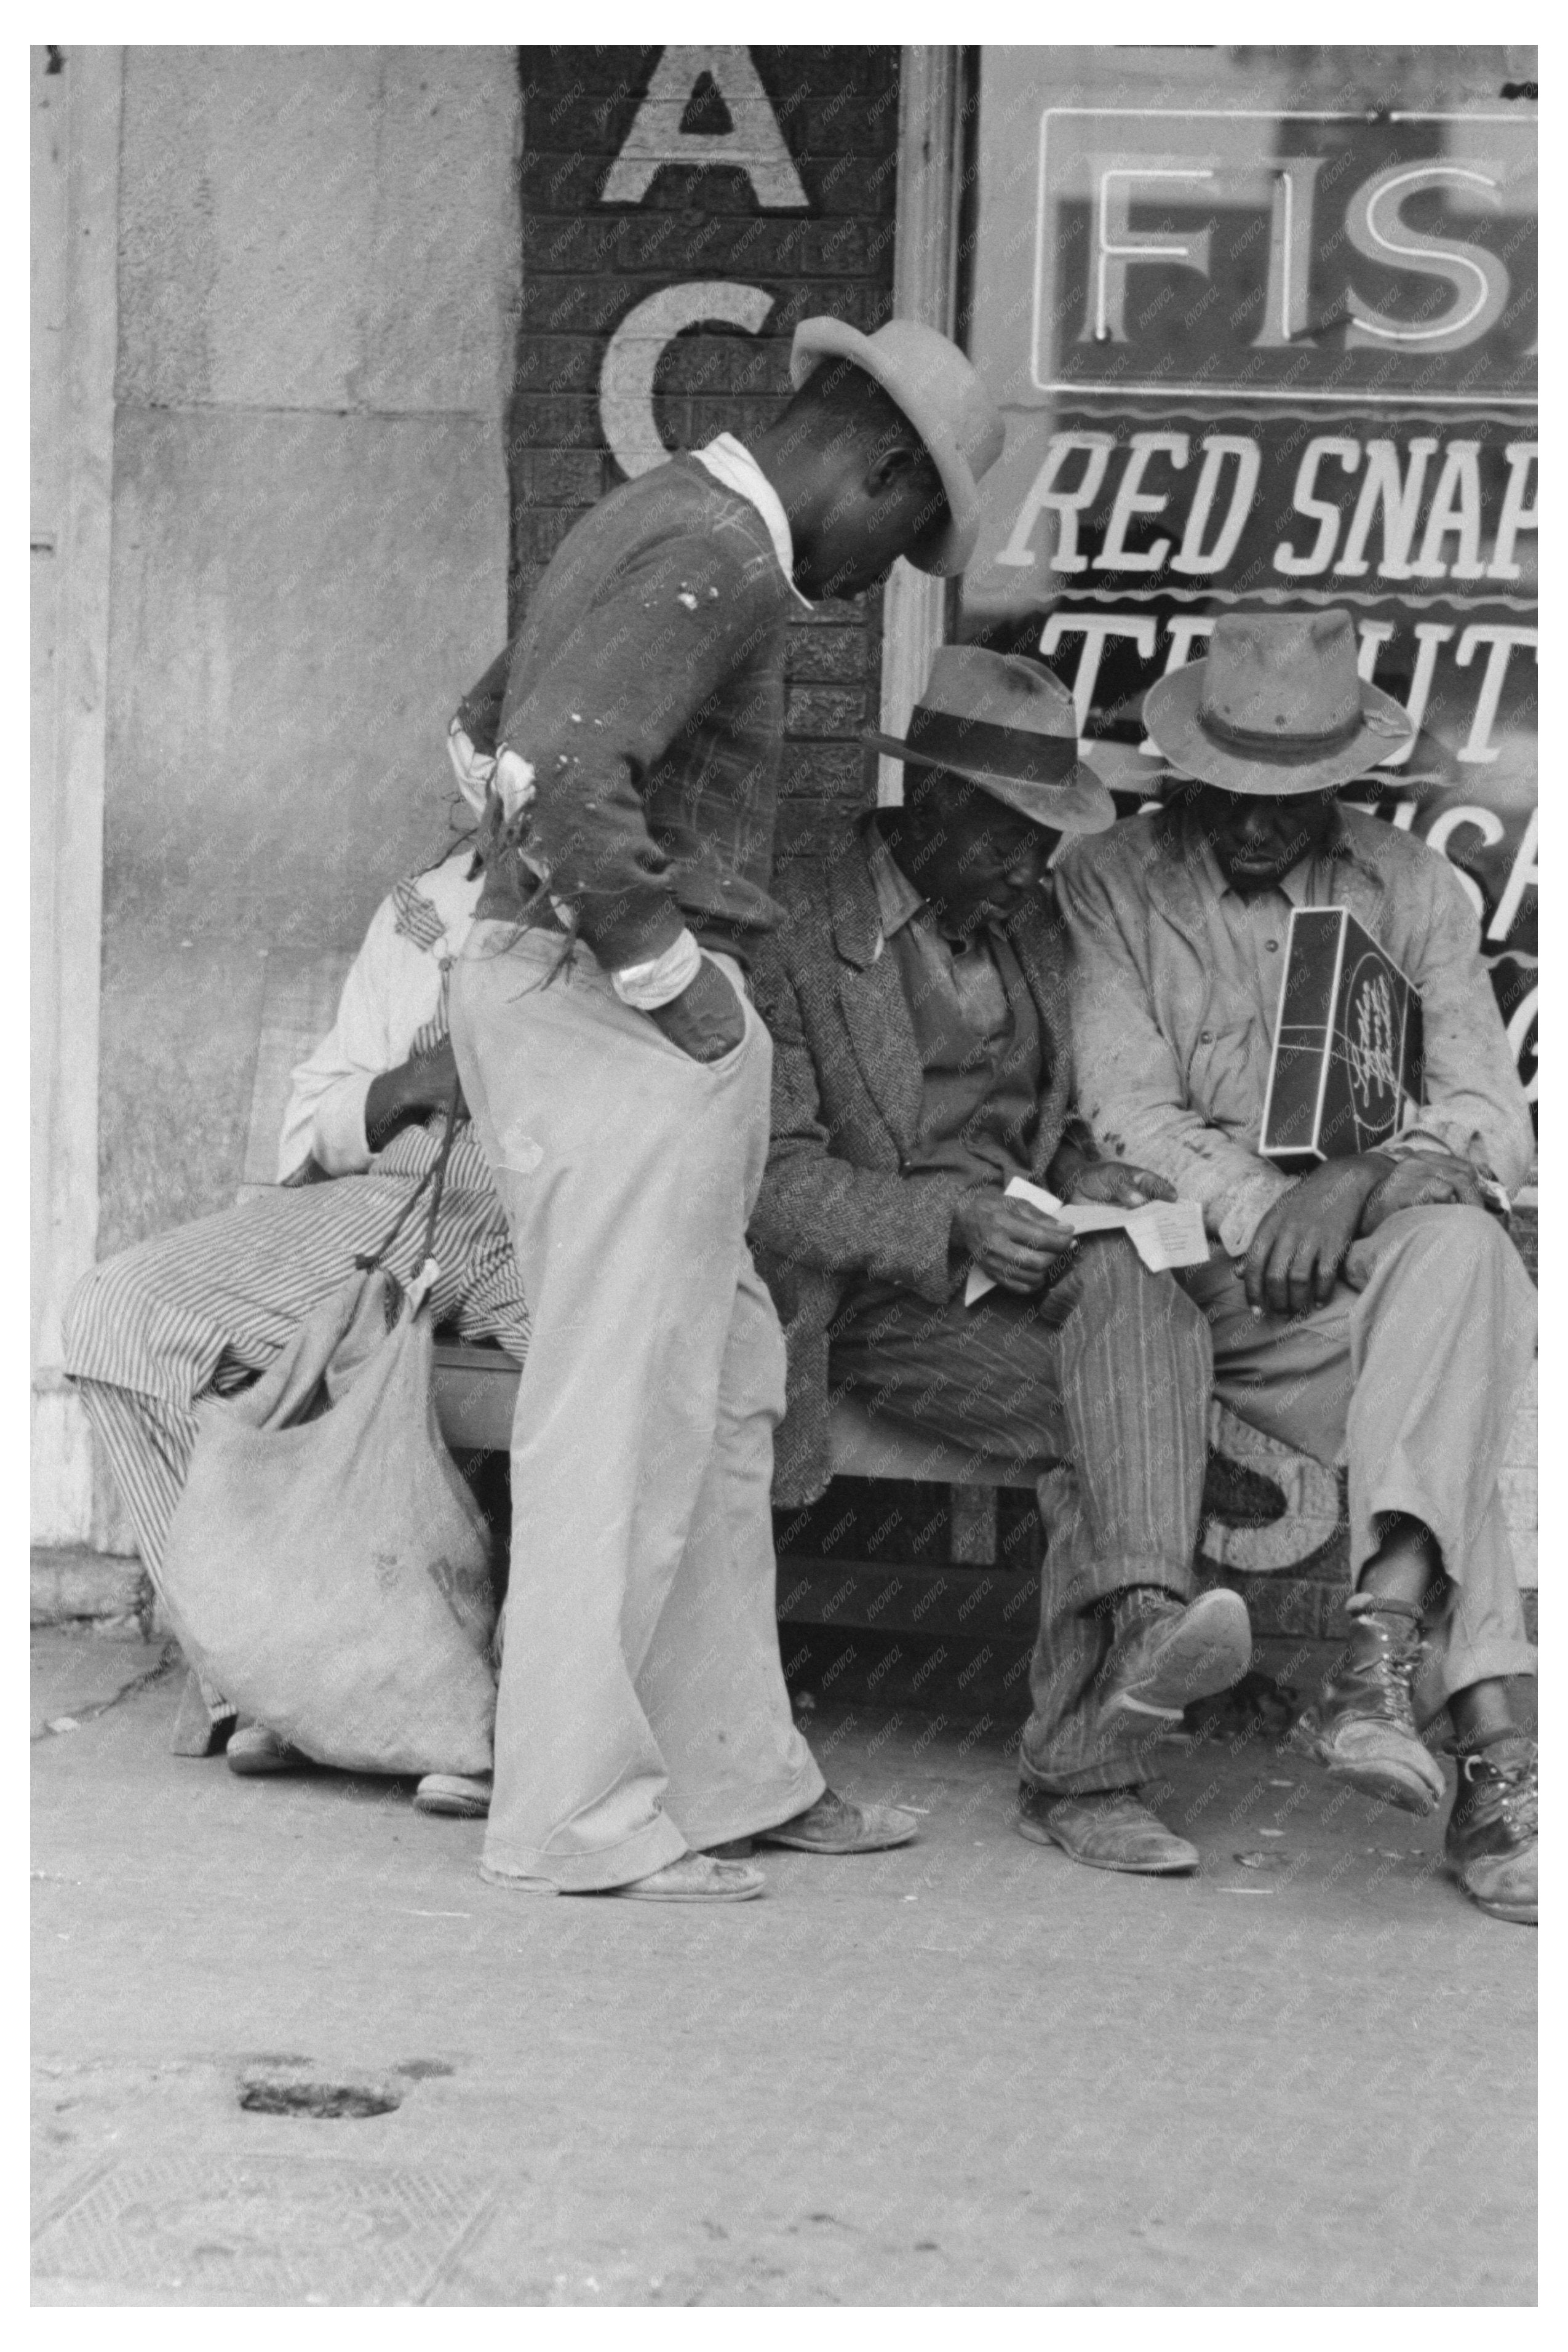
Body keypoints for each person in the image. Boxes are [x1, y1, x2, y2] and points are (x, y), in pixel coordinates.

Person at [447, 316, 1005, 1902]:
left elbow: (478, 733)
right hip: (617, 1012)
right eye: (906, 541)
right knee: (626, 1417)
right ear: (881, 469)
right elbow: (554, 765)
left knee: (729, 1387)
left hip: (573, 992)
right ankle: (573, 1819)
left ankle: (727, 1773)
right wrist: (669, 976)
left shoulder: (652, 514)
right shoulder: (728, 556)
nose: (882, 579)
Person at [1057, 608, 1538, 1925]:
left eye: (1292, 796)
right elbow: (1126, 1111)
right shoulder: (1109, 879)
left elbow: (1493, 1117)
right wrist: (1273, 1211)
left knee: (1463, 1251)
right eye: (1228, 789)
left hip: (1366, 1282)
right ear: (1185, 766)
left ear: (1346, 780)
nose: (1255, 821)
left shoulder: (1413, 887)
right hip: (1204, 1287)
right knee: (1461, 1370)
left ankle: (1380, 1645)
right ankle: (1489, 1758)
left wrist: (1357, 1181)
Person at [749, 646, 1259, 1878]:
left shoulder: (1024, 921)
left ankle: (1141, 1623)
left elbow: (1042, 1122)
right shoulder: (794, 929)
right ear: (930, 805)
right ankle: (1089, 1768)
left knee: (1135, 1307)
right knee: (1127, 1412)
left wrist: (1090, 1177)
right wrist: (953, 1222)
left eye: (1044, 841)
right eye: (1011, 839)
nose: (1035, 868)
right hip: (871, 1294)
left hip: (1026, 1259)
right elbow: (771, 1180)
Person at [64, 838, 522, 1816]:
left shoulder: (648, 896)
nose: (505, 778)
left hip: (563, 1210)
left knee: (635, 1386)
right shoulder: (426, 910)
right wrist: (406, 1084)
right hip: (399, 1199)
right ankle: (274, 1671)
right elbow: (319, 1110)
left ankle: (513, 1721)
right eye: (487, 764)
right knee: (117, 1315)